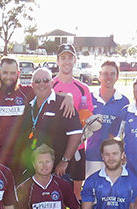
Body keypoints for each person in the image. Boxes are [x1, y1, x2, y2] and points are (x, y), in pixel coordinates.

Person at [0, 56, 74, 181]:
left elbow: (47, 92)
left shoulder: (27, 92)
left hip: (21, 156)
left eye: (12, 73)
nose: (9, 77)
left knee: (20, 190)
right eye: (5, 73)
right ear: (0, 72)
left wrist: (68, 96)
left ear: (18, 73)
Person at [18, 67, 82, 186]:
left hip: (59, 170)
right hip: (33, 170)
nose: (42, 84)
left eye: (46, 80)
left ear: (52, 83)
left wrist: (64, 161)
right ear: (32, 85)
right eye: (37, 81)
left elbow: (76, 134)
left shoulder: (64, 103)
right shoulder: (29, 105)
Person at [52, 43, 93, 197]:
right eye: (63, 58)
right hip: (56, 148)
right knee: (56, 193)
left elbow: (87, 117)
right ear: (57, 61)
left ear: (75, 60)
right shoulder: (50, 85)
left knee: (76, 194)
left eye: (70, 58)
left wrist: (88, 127)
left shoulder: (83, 88)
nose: (66, 61)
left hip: (77, 148)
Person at [85, 60, 129, 178]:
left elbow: (126, 132)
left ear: (117, 77)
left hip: (114, 157)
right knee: (92, 188)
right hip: (92, 155)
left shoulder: (124, 101)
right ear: (99, 76)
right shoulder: (90, 97)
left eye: (112, 74)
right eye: (105, 73)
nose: (108, 77)